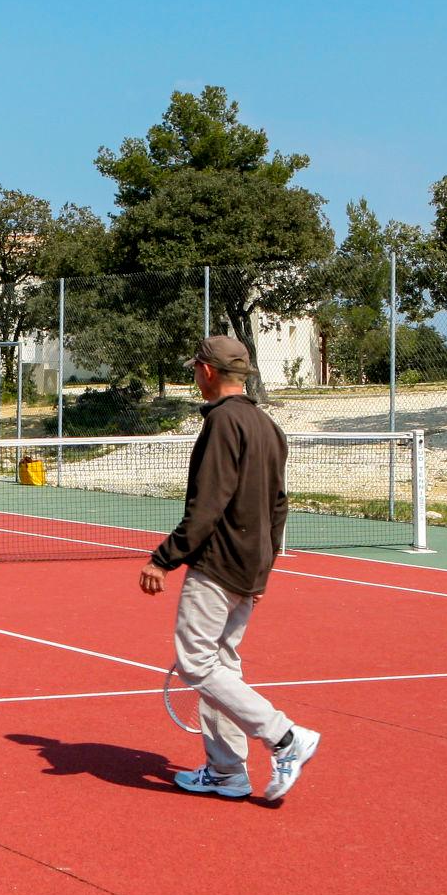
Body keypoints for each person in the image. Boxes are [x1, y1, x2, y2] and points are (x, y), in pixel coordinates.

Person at [139, 335, 320, 803]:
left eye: (196, 368)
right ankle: (225, 772)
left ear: (208, 371)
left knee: (197, 663)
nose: (194, 375)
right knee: (222, 665)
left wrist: (165, 558)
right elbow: (279, 506)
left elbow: (207, 505)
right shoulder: (267, 425)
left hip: (218, 564)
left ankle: (284, 736)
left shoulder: (222, 424)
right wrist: (264, 570)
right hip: (249, 565)